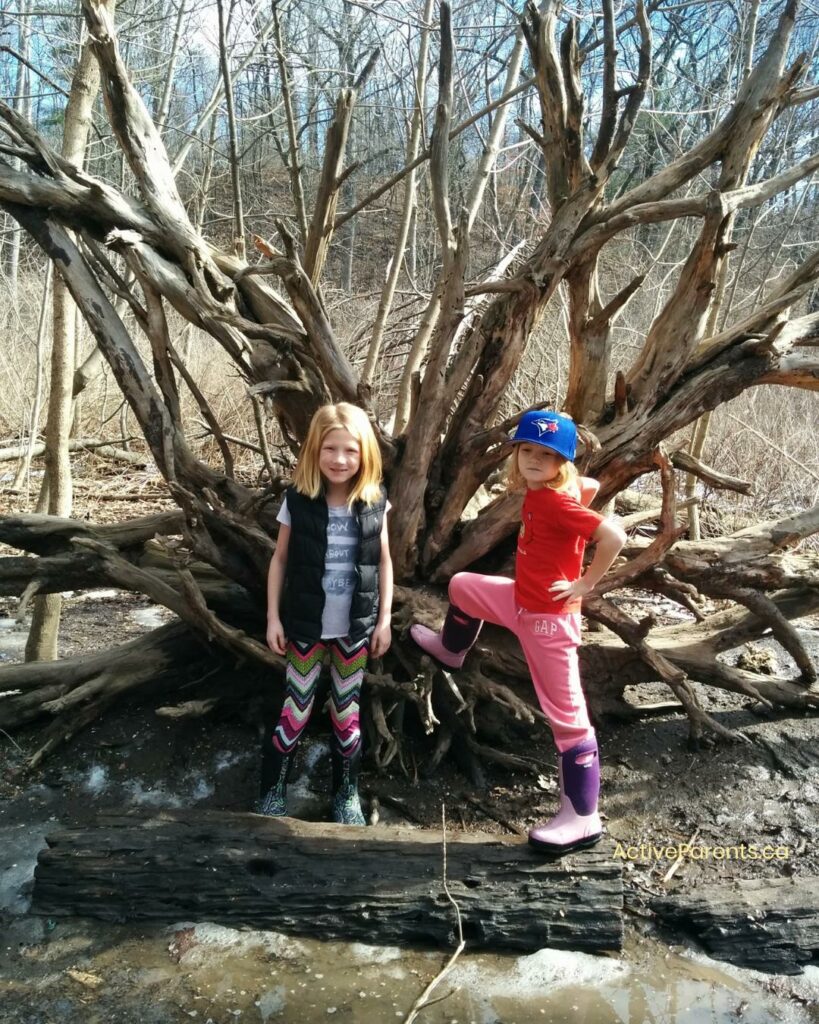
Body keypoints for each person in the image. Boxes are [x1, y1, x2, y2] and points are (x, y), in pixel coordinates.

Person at [410, 410, 626, 855]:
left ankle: (582, 818)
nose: (533, 460)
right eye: (527, 450)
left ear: (561, 462)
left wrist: (586, 583)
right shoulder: (549, 488)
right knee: (463, 587)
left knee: (568, 718)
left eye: (546, 455)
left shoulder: (555, 501)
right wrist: (580, 488)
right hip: (520, 601)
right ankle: (451, 650)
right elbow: (590, 486)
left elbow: (613, 537)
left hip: (549, 621)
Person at [258, 402, 393, 825]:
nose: (339, 459)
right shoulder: (298, 501)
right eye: (330, 449)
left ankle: (346, 795)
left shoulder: (374, 501)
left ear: (364, 453)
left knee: (346, 712)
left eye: (350, 451)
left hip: (355, 628)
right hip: (304, 626)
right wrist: (273, 618)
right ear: (315, 451)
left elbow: (385, 562)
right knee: (295, 710)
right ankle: (271, 791)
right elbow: (280, 559)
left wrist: (384, 619)